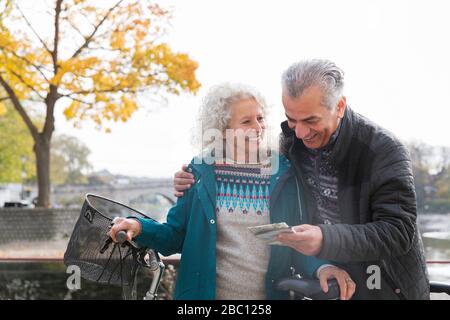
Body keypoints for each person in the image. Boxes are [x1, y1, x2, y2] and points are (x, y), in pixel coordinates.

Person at [173, 60, 430, 300]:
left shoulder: (384, 149)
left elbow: (399, 232)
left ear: (339, 106)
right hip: (324, 281)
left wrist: (324, 238)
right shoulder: (291, 141)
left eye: (311, 120)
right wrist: (192, 179)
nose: (301, 132)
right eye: (291, 119)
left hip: (383, 288)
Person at [111, 82, 355, 300]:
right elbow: (175, 236)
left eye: (260, 118)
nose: (258, 127)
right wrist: (140, 226)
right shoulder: (199, 173)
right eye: (246, 121)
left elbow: (296, 241)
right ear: (223, 129)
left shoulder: (284, 172)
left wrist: (323, 268)